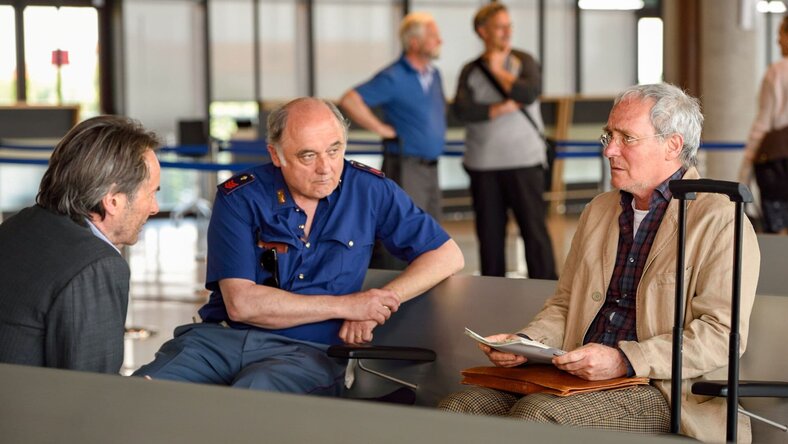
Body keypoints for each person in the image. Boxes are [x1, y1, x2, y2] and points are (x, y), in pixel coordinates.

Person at [439, 84, 760, 443]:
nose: (609, 150)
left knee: (538, 417)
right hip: (575, 379)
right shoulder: (599, 211)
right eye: (609, 135)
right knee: (461, 407)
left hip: (662, 390)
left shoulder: (718, 218)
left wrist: (626, 359)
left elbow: (721, 336)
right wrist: (527, 342)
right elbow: (564, 304)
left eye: (627, 138)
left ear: (673, 145)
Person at [134, 98, 464, 395]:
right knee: (137, 394)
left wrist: (378, 304)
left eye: (335, 150)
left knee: (251, 402)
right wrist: (349, 306)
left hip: (305, 350)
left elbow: (447, 255)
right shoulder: (240, 197)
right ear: (275, 154)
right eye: (308, 155)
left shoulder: (370, 191)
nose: (326, 168)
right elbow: (242, 304)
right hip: (217, 340)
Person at [0, 115, 161, 373]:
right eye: (152, 193)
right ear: (113, 200)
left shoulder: (20, 225)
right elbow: (90, 392)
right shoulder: (96, 266)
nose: (155, 208)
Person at [452, 2, 556, 279]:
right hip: (483, 164)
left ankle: (546, 292)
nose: (507, 32)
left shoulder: (524, 60)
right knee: (489, 236)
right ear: (482, 31)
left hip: (524, 160)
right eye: (500, 27)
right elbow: (462, 110)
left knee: (534, 232)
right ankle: (492, 292)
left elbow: (529, 92)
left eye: (509, 26)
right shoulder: (470, 70)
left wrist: (499, 71)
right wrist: (498, 108)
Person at [339, 11, 446, 221]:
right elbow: (350, 100)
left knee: (432, 233)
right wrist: (381, 129)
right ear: (414, 42)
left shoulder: (434, 76)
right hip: (406, 166)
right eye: (433, 35)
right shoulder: (394, 77)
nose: (440, 40)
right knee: (408, 230)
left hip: (431, 168)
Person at [739, 12, 788, 234]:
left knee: (782, 235)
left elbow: (763, 123)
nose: (778, 41)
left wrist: (744, 171)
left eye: (780, 34)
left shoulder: (780, 71)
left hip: (781, 165)